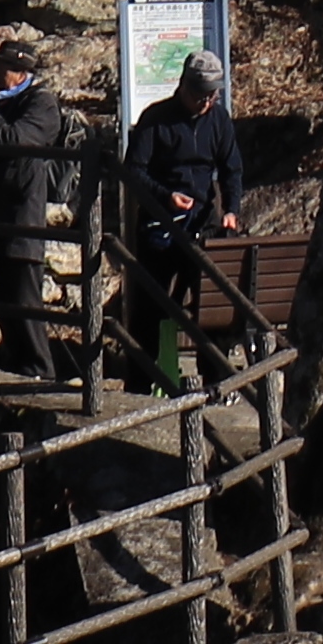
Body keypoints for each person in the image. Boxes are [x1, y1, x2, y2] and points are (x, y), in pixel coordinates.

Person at [0, 27, 81, 384]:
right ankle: (16, 362)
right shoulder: (4, 106)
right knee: (3, 297)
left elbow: (17, 143)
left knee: (25, 299)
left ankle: (40, 370)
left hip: (23, 212)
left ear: (19, 70)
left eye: (1, 67)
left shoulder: (40, 104)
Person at [124, 46, 248, 388]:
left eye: (212, 96)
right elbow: (133, 172)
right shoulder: (155, 119)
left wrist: (232, 210)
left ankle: (217, 382)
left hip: (204, 223)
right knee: (150, 307)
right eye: (199, 96)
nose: (205, 103)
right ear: (183, 87)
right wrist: (166, 197)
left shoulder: (219, 120)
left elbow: (231, 169)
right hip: (161, 225)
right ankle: (140, 383)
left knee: (214, 304)